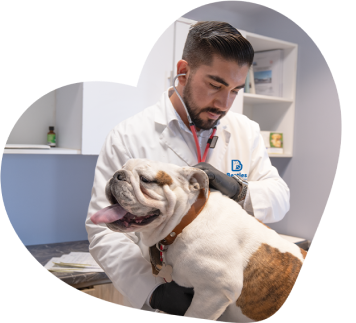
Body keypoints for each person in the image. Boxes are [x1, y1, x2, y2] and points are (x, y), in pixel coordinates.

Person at [85, 21, 290, 320]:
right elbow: (104, 232)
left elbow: (280, 199)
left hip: (234, 302)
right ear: (183, 70)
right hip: (163, 296)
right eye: (215, 85)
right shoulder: (130, 135)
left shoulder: (245, 131)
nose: (224, 103)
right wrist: (153, 291)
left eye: (235, 90)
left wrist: (239, 190)